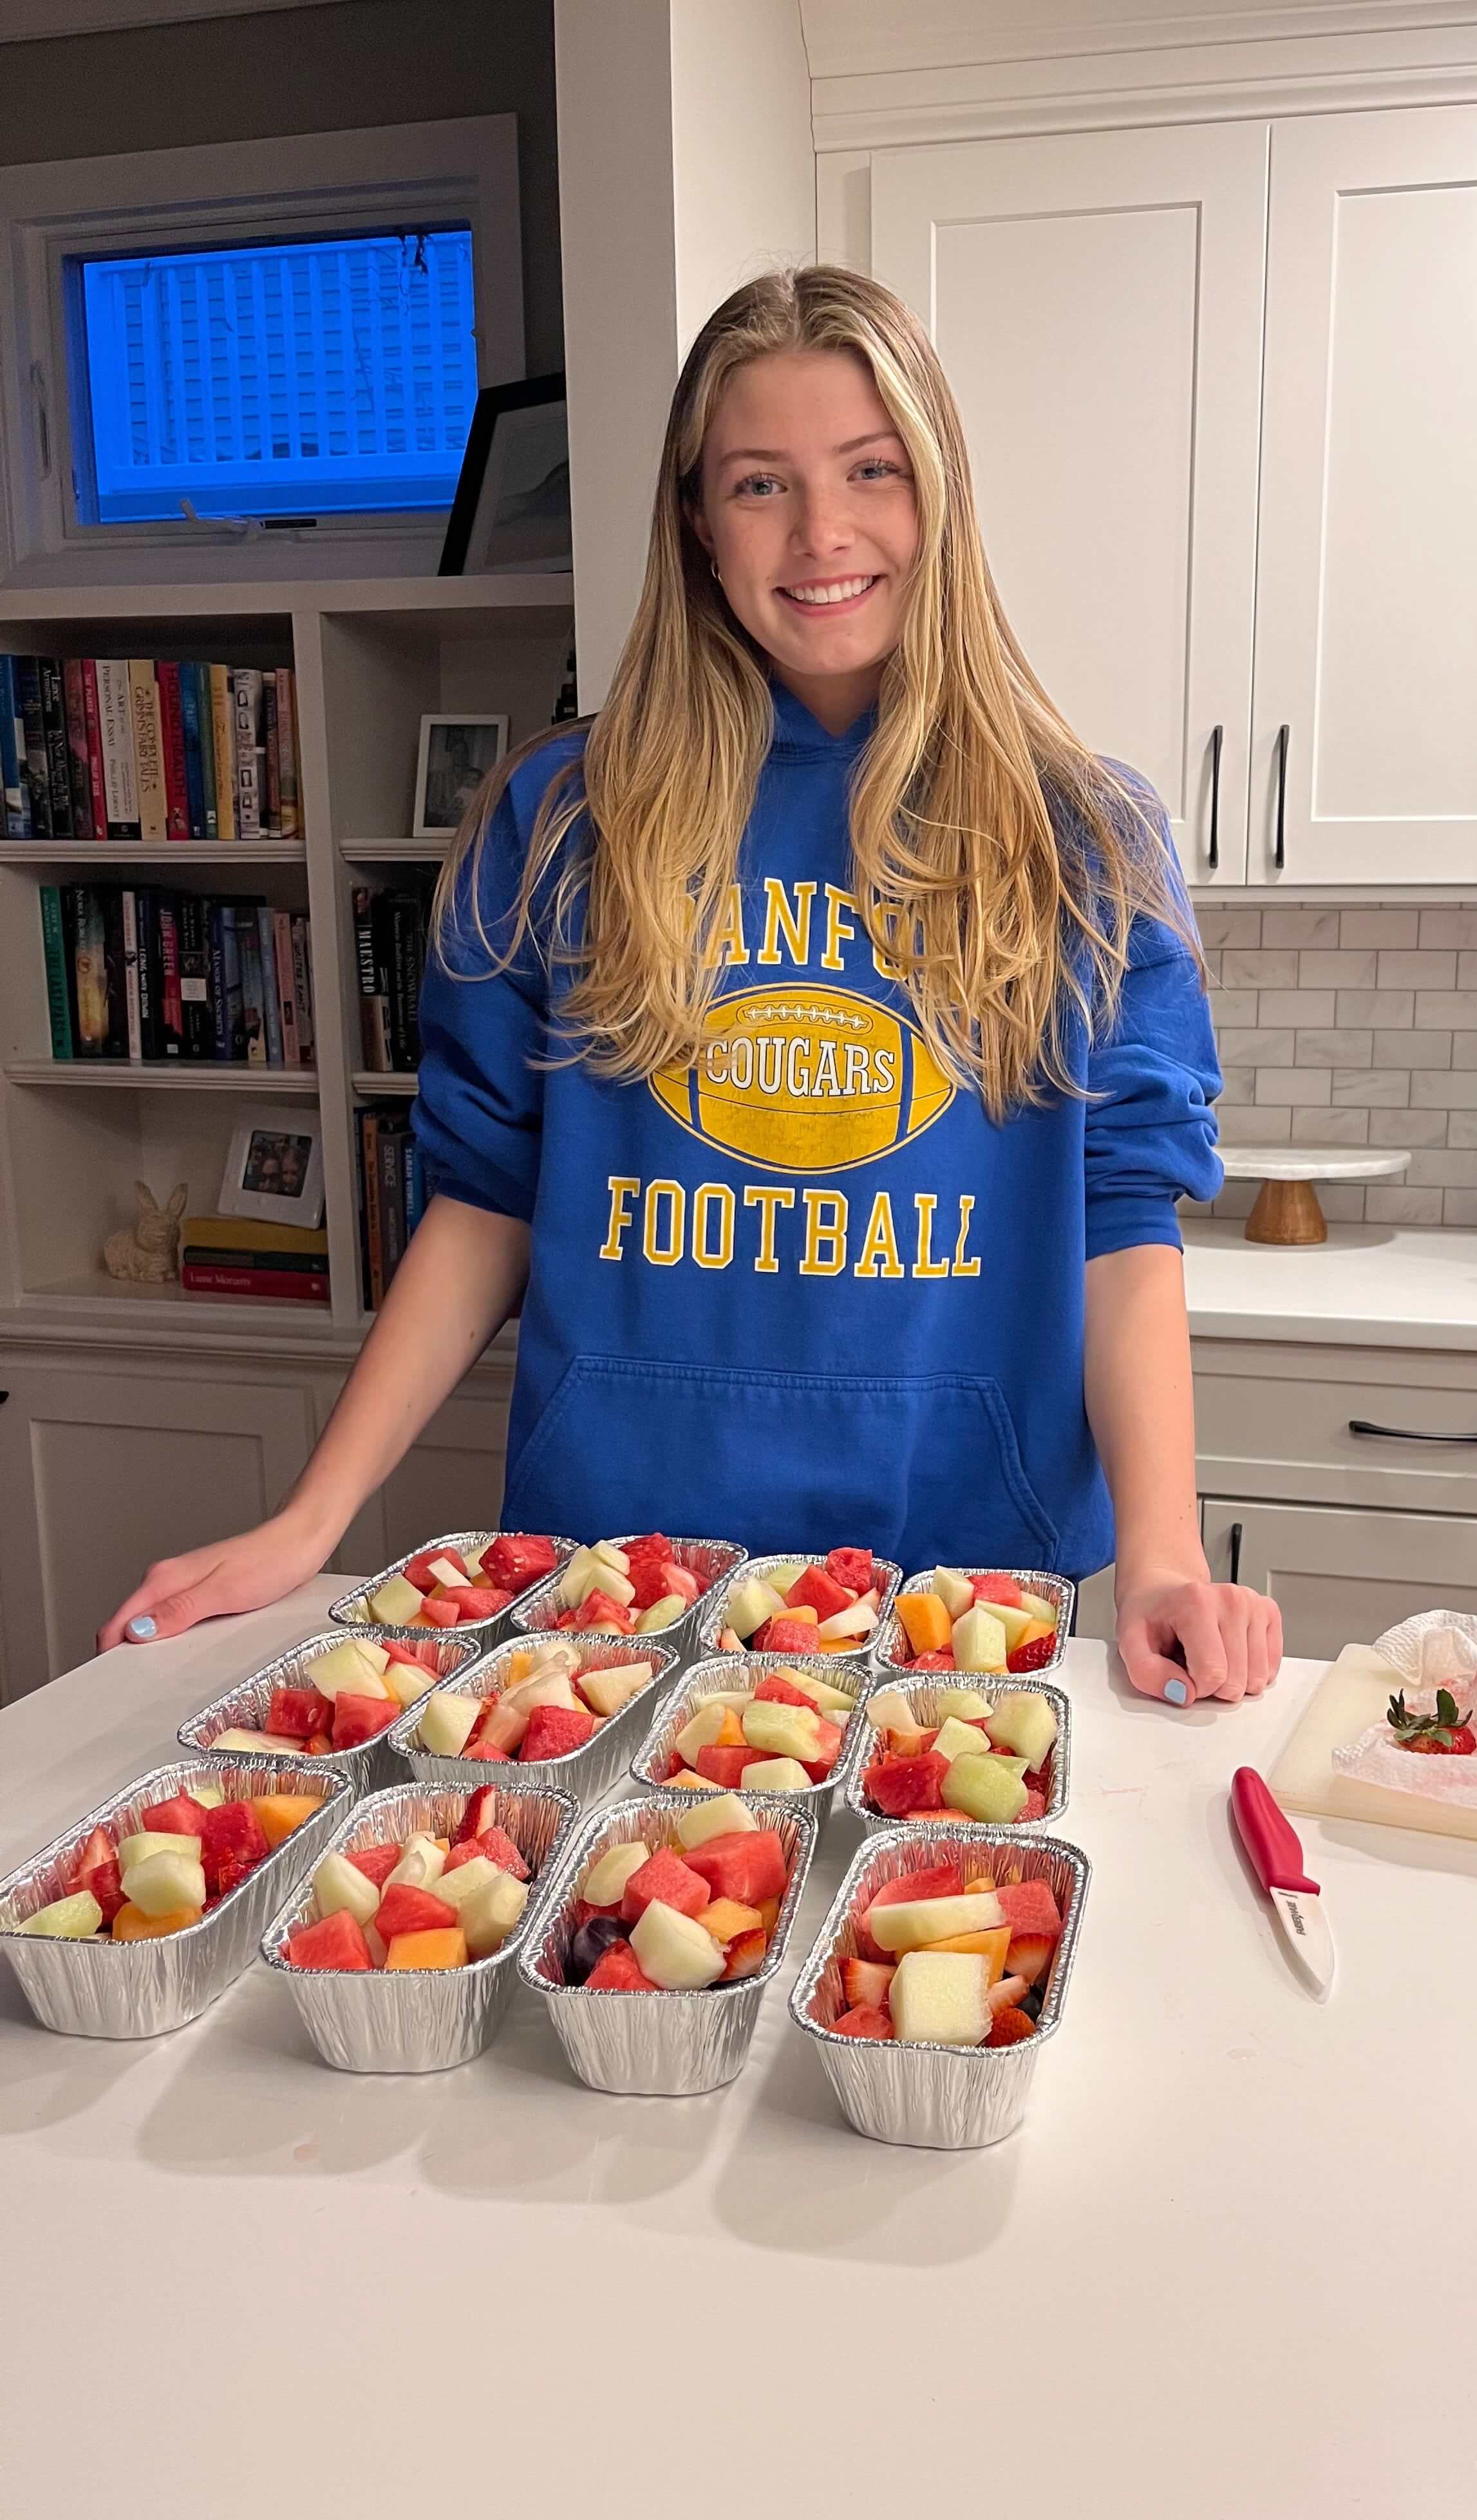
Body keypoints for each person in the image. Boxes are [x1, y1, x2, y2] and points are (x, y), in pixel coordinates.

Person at [100, 266, 1281, 1705]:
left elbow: (1121, 1219)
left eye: (871, 472)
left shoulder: (1086, 839)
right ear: (696, 522)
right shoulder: (558, 820)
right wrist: (314, 1519)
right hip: (608, 1571)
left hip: (966, 1577)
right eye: (761, 484)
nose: (824, 532)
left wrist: (1163, 1556)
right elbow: (486, 1197)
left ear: (942, 502)